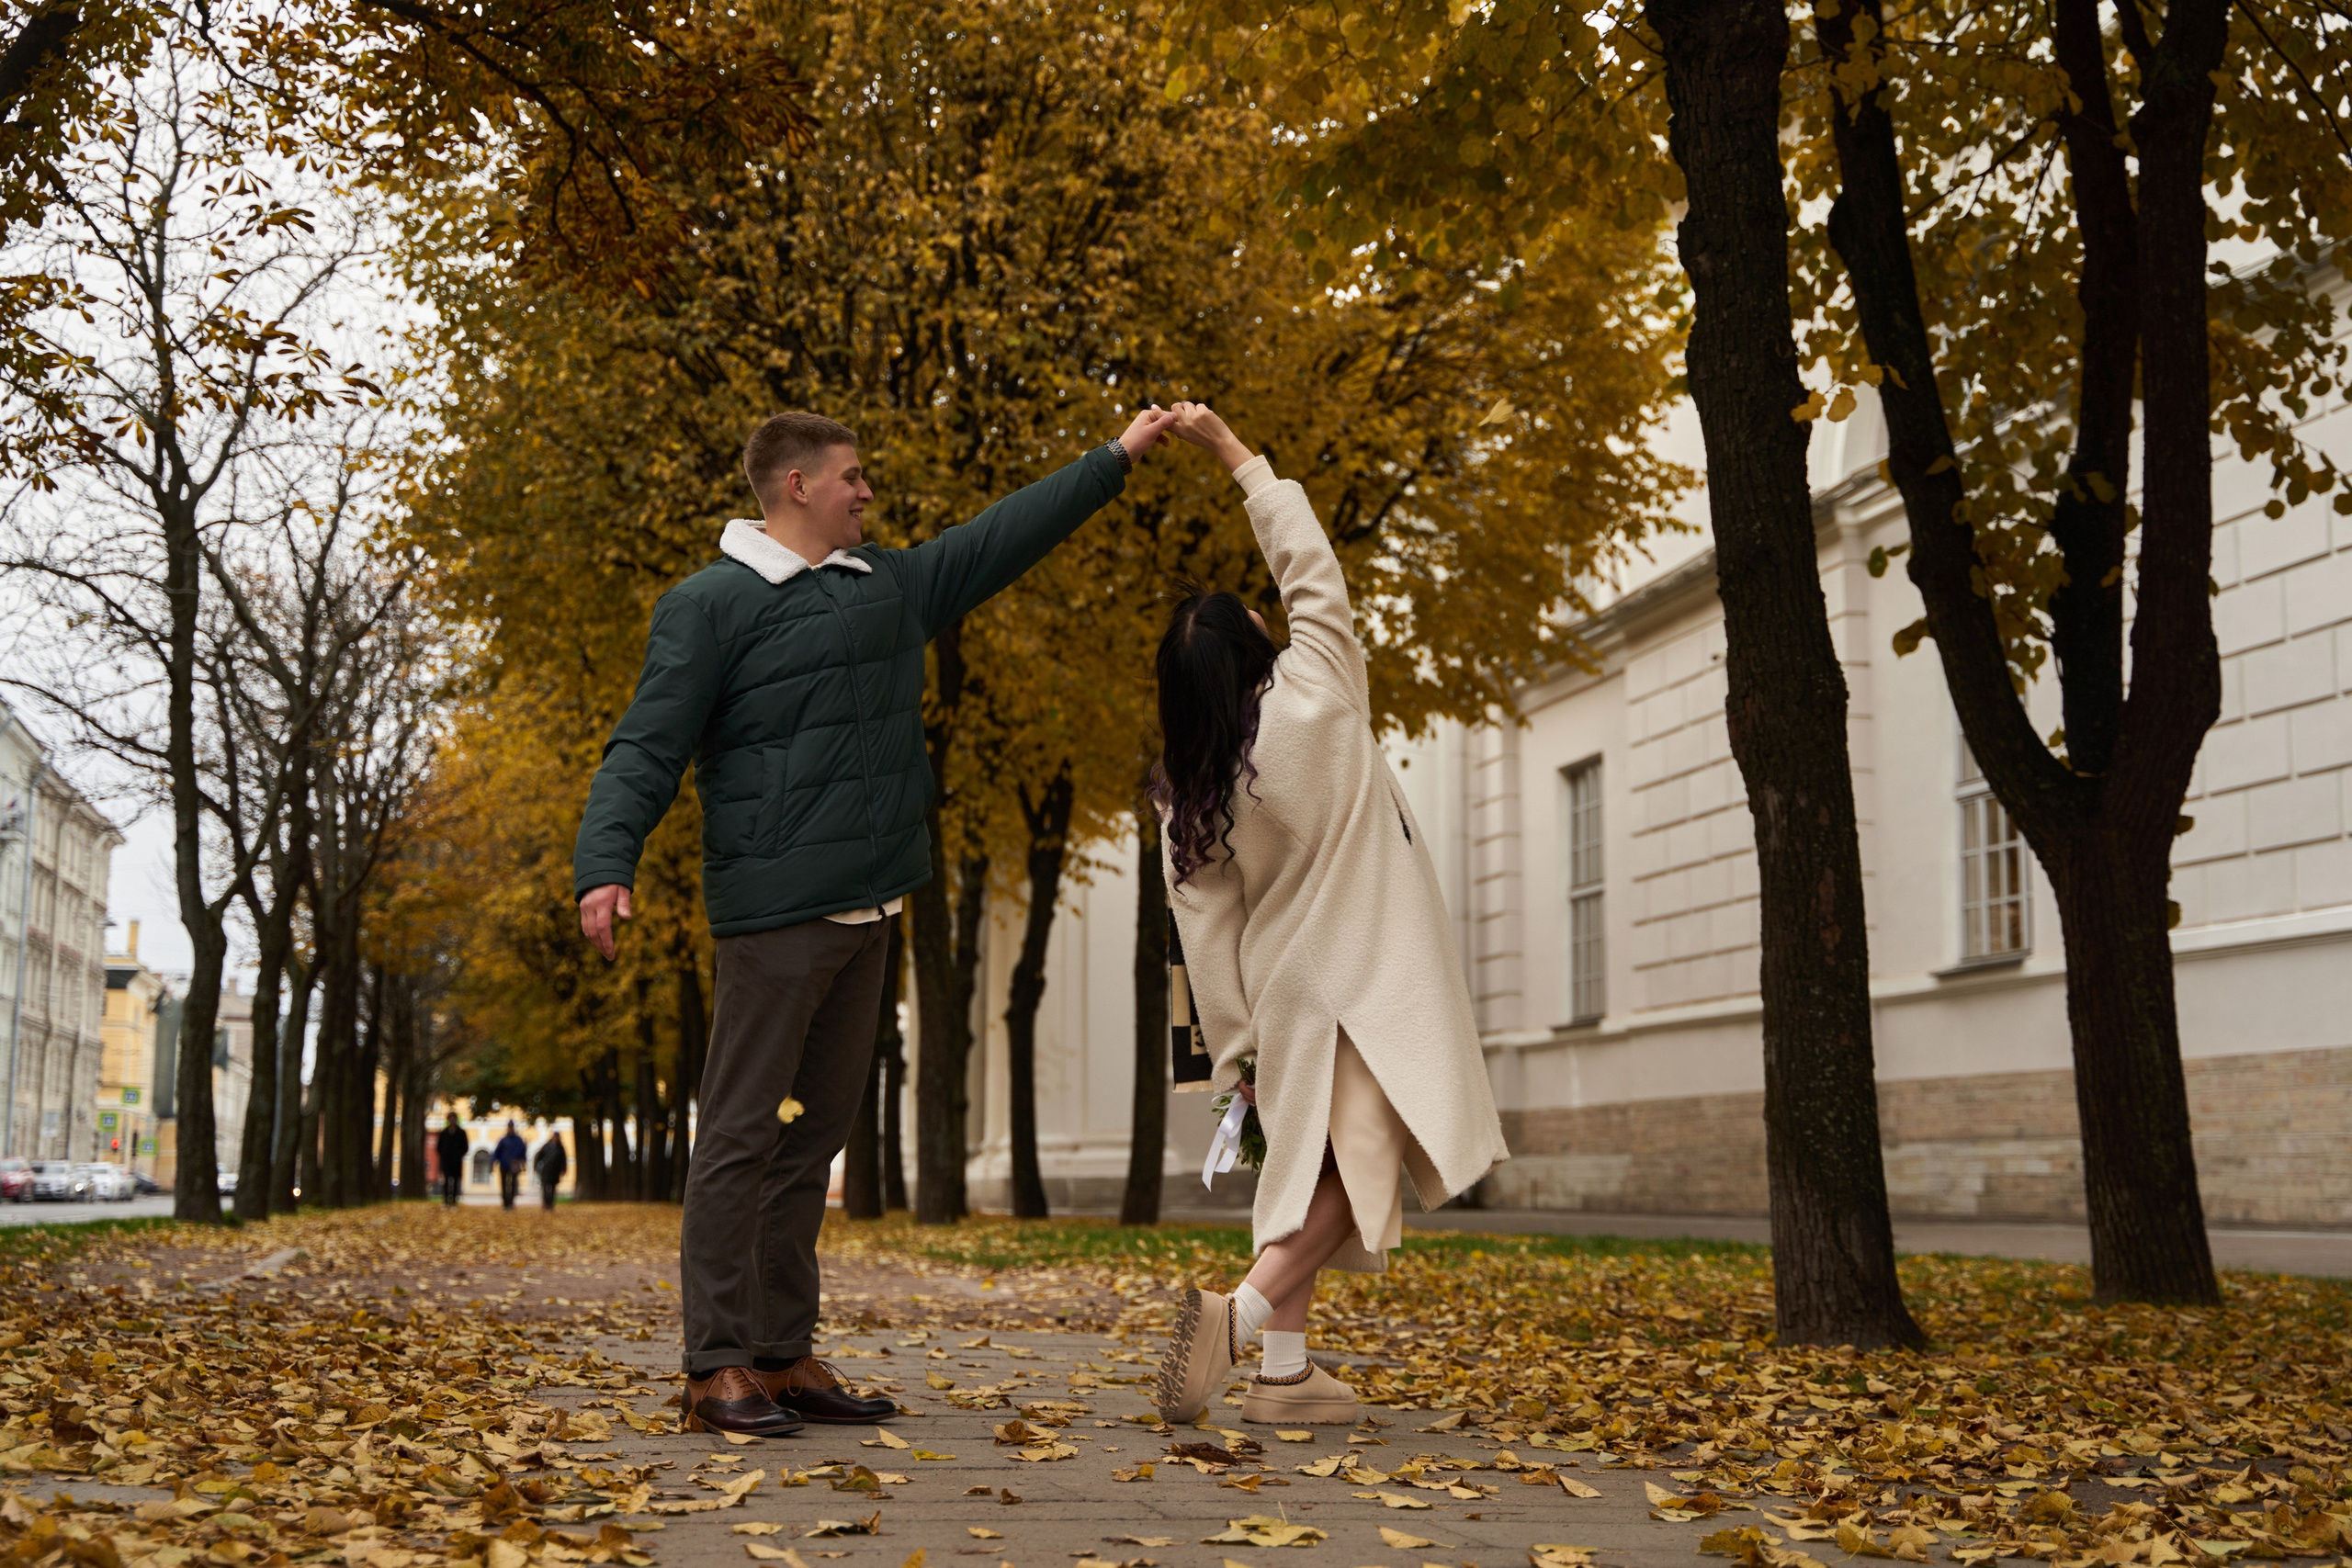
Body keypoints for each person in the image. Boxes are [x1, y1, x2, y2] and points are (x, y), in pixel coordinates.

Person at [572, 405, 1179, 1438]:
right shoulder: (709, 606)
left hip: (872, 909)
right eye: (851, 477)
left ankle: (781, 1350)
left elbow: (1002, 537)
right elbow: (645, 745)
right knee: (738, 1138)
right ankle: (714, 1364)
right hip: (772, 913)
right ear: (798, 486)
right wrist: (605, 863)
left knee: (812, 1151)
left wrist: (1112, 460)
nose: (867, 492)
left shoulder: (886, 587)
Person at [1149, 402, 1510, 1427]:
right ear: (1250, 643)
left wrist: (1235, 1052)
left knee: (1307, 1169)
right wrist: (1234, 455)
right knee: (1364, 1167)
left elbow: (1204, 934)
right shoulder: (1320, 686)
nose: (1274, 615)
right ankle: (1241, 1318)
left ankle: (1286, 1380)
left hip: (1286, 990)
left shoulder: (1190, 790)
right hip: (1375, 976)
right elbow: (1310, 568)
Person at [493, 1121, 529, 1210]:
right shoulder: (504, 1140)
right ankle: (506, 1203)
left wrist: (523, 1162)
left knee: (513, 1184)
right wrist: (495, 1161)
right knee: (504, 1184)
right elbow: (497, 1152)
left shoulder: (518, 1140)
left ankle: (511, 1203)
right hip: (504, 1164)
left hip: (514, 1165)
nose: (510, 1128)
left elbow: (523, 1152)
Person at [435, 1117, 469, 1207]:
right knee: (446, 1181)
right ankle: (446, 1201)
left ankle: (454, 1201)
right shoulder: (444, 1133)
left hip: (457, 1161)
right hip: (446, 1161)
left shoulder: (461, 1133)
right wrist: (444, 1155)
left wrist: (459, 1154)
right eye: (450, 1119)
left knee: (455, 1182)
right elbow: (439, 1147)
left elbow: (465, 1147)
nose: (452, 1121)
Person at [533, 1130, 568, 1211]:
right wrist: (536, 1166)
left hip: (555, 1171)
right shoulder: (546, 1147)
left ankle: (551, 1204)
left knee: (553, 1189)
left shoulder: (560, 1149)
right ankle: (545, 1204)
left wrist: (563, 1169)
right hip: (546, 1171)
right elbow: (539, 1157)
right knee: (545, 1188)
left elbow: (563, 1160)